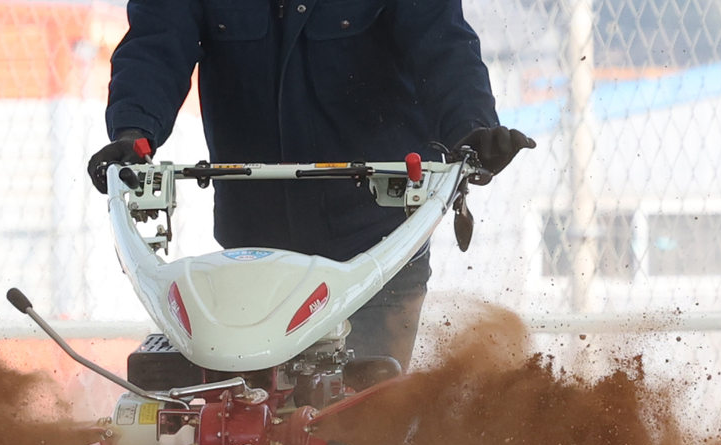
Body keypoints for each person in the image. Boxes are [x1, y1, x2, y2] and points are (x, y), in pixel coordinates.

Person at [88, 0, 533, 367]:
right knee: (237, 411)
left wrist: (471, 128)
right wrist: (133, 132)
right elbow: (155, 46)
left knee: (366, 423)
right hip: (253, 251)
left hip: (374, 246)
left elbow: (444, 49)